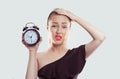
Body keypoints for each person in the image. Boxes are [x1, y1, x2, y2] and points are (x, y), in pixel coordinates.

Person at [22, 8, 105, 79]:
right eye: (54, 26)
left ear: (69, 29)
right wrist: (32, 51)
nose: (59, 31)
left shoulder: (77, 54)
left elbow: (100, 38)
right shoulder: (37, 57)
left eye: (64, 26)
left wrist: (75, 18)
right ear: (47, 28)